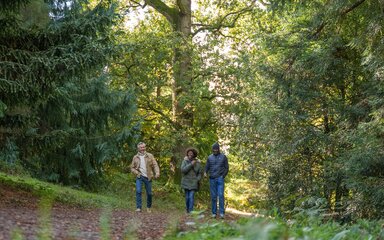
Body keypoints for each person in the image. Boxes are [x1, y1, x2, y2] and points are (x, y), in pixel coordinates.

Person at [130, 142, 160, 213]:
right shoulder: (135, 157)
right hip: (139, 176)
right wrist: (137, 172)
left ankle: (148, 207)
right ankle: (138, 207)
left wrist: (157, 172)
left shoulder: (150, 156)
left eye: (144, 147)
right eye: (141, 147)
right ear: (138, 148)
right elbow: (132, 168)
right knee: (138, 191)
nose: (143, 148)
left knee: (149, 193)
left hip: (148, 177)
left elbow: (155, 165)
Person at [204, 142, 229, 219]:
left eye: (216, 149)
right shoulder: (209, 157)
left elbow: (226, 168)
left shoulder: (223, 157)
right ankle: (214, 213)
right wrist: (205, 172)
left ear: (218, 149)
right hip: (212, 179)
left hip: (220, 179)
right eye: (214, 150)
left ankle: (221, 213)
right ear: (212, 150)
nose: (215, 151)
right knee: (214, 196)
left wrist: (222, 176)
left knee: (221, 195)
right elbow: (207, 167)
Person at [181, 147, 203, 214]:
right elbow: (183, 170)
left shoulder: (198, 163)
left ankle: (191, 211)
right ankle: (187, 209)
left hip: (194, 183)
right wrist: (191, 164)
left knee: (191, 197)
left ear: (194, 154)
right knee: (187, 197)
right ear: (187, 154)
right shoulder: (184, 161)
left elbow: (199, 173)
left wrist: (197, 179)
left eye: (191, 153)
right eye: (189, 153)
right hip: (186, 182)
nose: (190, 154)